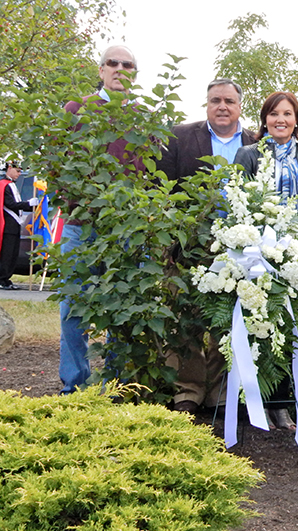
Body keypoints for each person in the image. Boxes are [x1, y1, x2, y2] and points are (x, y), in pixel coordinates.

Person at [156, 78, 256, 414]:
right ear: (207, 105)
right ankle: (188, 390)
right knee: (184, 317)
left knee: (226, 319)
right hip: (188, 242)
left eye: (229, 100)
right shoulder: (180, 137)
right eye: (215, 100)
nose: (222, 106)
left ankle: (221, 392)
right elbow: (164, 189)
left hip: (238, 244)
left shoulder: (256, 142)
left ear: (240, 106)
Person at [234, 91, 298, 430]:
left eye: (287, 114)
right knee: (258, 327)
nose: (281, 120)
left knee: (286, 330)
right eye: (274, 114)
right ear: (265, 119)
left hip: (296, 255)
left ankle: (281, 404)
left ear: (297, 120)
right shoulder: (248, 155)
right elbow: (239, 204)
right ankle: (255, 404)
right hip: (258, 254)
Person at [59, 44, 144, 394]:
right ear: (101, 70)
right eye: (113, 63)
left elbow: (150, 173)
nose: (119, 68)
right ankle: (74, 386)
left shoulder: (144, 117)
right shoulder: (77, 110)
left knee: (122, 310)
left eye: (128, 64)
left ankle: (114, 384)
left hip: (125, 230)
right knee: (72, 308)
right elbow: (59, 160)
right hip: (81, 226)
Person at [0, 160, 38, 290]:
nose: (19, 174)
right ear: (9, 168)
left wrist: (31, 206)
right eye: (17, 171)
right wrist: (28, 204)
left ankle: (6, 279)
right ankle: (2, 279)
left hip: (14, 225)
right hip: (7, 226)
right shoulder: (4, 185)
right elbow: (10, 204)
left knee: (13, 254)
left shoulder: (11, 185)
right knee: (7, 254)